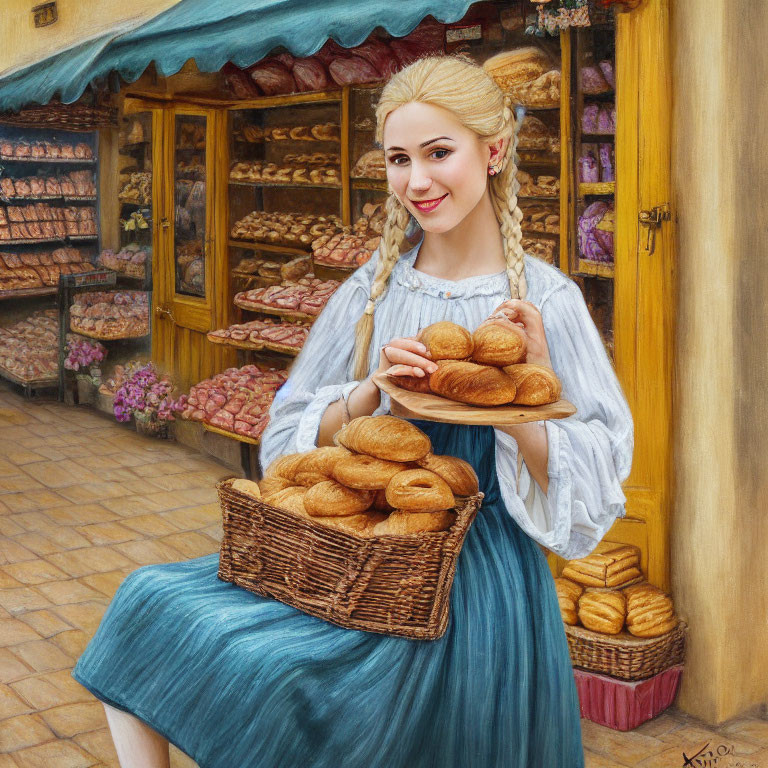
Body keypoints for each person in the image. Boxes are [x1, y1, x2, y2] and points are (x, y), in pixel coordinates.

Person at [72, 55, 633, 768]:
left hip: (471, 579)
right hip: (353, 550)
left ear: (494, 152)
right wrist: (370, 392)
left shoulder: (546, 303)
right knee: (145, 606)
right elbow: (289, 435)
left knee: (285, 684)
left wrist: (526, 399)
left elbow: (599, 473)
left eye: (438, 153)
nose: (417, 181)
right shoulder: (373, 289)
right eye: (399, 159)